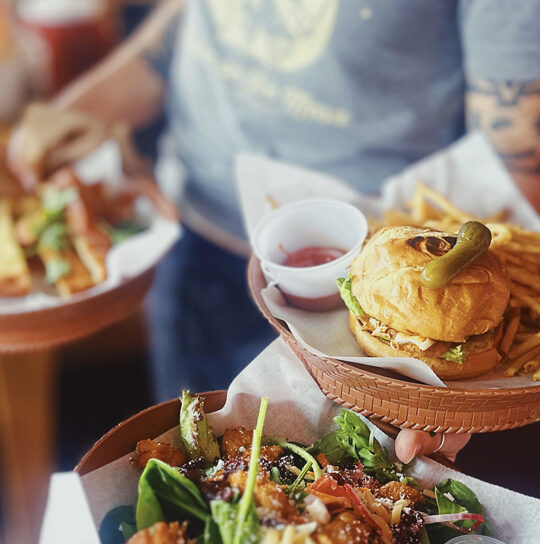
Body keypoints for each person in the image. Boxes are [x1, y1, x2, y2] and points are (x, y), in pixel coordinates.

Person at [8, 0, 540, 463]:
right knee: (199, 481)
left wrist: (451, 368)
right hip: (187, 235)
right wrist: (80, 110)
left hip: (351, 312)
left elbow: (510, 159)